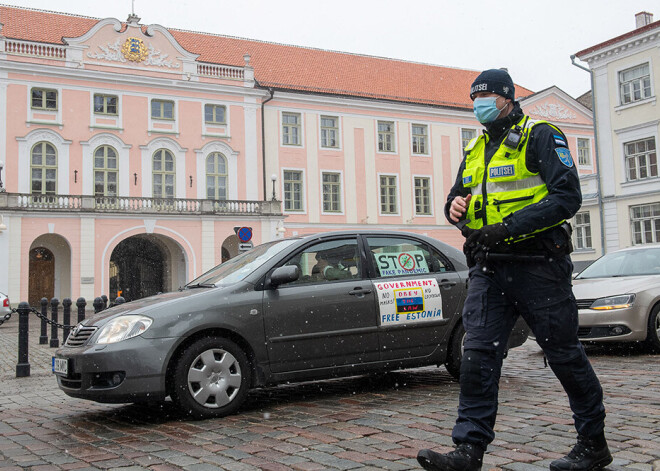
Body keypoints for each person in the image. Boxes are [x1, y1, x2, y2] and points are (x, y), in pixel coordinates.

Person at [417, 69, 610, 471]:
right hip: (490, 268)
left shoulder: (540, 135)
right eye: (474, 98)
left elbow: (566, 197)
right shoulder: (476, 147)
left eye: (486, 96)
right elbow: (460, 195)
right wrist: (454, 208)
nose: (479, 104)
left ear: (507, 98)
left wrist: (506, 229)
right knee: (477, 356)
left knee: (563, 355)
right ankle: (469, 450)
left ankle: (593, 443)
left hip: (539, 263)